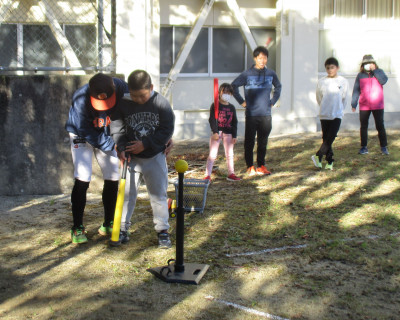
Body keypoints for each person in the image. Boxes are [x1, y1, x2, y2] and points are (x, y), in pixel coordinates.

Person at [110, 70, 175, 249]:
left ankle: (162, 230)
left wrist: (146, 144)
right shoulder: (123, 103)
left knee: (158, 194)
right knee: (127, 195)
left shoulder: (161, 103)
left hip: (154, 157)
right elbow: (117, 127)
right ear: (128, 91)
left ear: (151, 88)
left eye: (142, 95)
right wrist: (121, 147)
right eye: (134, 95)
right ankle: (122, 229)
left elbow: (167, 129)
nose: (138, 99)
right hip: (131, 158)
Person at [65, 73, 129, 244]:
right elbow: (87, 132)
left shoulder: (124, 89)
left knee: (113, 176)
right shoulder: (80, 99)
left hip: (107, 133)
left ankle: (108, 222)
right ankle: (77, 226)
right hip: (82, 134)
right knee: (83, 176)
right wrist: (113, 146)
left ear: (114, 89)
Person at [231, 45, 282, 177]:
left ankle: (261, 165)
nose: (262, 61)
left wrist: (272, 101)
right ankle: (250, 166)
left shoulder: (271, 73)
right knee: (249, 141)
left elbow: (278, 86)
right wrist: (242, 101)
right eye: (259, 58)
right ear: (255, 58)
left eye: (264, 58)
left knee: (263, 141)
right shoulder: (247, 74)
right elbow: (234, 85)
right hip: (252, 114)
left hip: (266, 114)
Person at [312, 57, 349, 170]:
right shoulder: (322, 81)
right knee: (326, 138)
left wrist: (340, 110)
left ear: (337, 68)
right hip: (324, 114)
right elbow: (319, 97)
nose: (330, 70)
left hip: (337, 114)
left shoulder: (343, 81)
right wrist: (324, 107)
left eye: (332, 67)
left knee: (331, 137)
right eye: (328, 68)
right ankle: (329, 161)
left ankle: (318, 156)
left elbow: (344, 98)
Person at [351, 54, 389, 155]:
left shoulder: (379, 72)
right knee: (363, 126)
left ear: (374, 63)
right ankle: (363, 147)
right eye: (366, 64)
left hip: (378, 105)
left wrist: (375, 71)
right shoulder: (360, 75)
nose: (368, 65)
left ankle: (384, 147)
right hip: (364, 105)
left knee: (380, 125)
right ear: (363, 65)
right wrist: (353, 103)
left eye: (370, 63)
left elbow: (384, 80)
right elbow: (356, 90)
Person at [204, 83, 240, 182]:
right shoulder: (215, 105)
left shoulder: (232, 107)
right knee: (212, 154)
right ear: (219, 93)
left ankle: (231, 173)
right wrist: (215, 131)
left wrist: (234, 135)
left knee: (230, 154)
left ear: (231, 94)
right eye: (224, 92)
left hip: (228, 133)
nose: (226, 94)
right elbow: (212, 119)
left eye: (228, 93)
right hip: (217, 133)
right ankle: (207, 175)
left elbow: (234, 121)